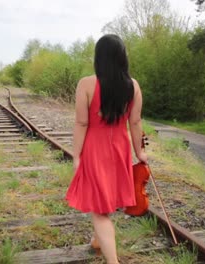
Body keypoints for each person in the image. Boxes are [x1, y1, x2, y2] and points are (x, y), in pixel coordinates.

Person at [65, 34, 147, 264]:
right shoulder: (133, 86)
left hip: (95, 149)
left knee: (100, 210)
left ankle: (113, 261)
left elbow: (81, 123)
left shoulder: (86, 84)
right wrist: (139, 153)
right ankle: (97, 241)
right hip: (119, 149)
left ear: (98, 57)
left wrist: (76, 155)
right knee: (103, 201)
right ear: (122, 57)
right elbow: (135, 122)